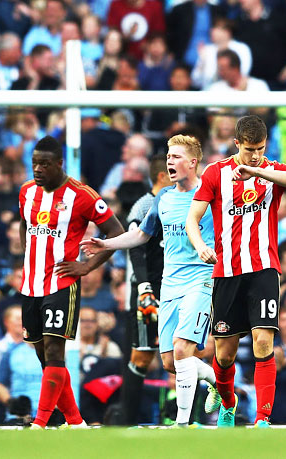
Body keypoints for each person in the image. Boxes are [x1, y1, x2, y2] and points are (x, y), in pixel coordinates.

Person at [82, 135, 219, 427]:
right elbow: (142, 235)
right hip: (169, 286)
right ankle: (218, 380)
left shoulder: (211, 194)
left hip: (201, 280)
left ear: (193, 162)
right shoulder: (163, 198)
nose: (170, 162)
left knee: (183, 350)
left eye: (177, 157)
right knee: (171, 362)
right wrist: (106, 245)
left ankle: (182, 426)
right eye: (168, 157)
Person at [186, 115, 286, 427]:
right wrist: (200, 244)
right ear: (237, 143)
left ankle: (263, 419)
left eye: (261, 149)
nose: (256, 154)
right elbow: (193, 218)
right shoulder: (215, 173)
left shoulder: (269, 170)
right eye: (250, 149)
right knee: (224, 355)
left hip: (264, 270)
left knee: (263, 343)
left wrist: (256, 170)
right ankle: (228, 401)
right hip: (226, 272)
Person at [19, 135, 124, 429]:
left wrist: (87, 266)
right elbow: (24, 225)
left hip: (61, 282)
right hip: (31, 285)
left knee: (55, 352)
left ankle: (39, 424)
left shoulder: (82, 195)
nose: (37, 169)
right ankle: (76, 422)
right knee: (46, 360)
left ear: (59, 164)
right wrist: (27, 259)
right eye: (34, 164)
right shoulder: (27, 192)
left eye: (44, 164)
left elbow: (116, 232)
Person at [115, 153, 169, 424]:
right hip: (148, 290)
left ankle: (187, 418)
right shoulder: (144, 205)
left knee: (183, 352)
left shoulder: (179, 203)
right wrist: (145, 286)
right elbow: (135, 247)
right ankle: (126, 420)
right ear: (162, 176)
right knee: (142, 355)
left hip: (175, 288)